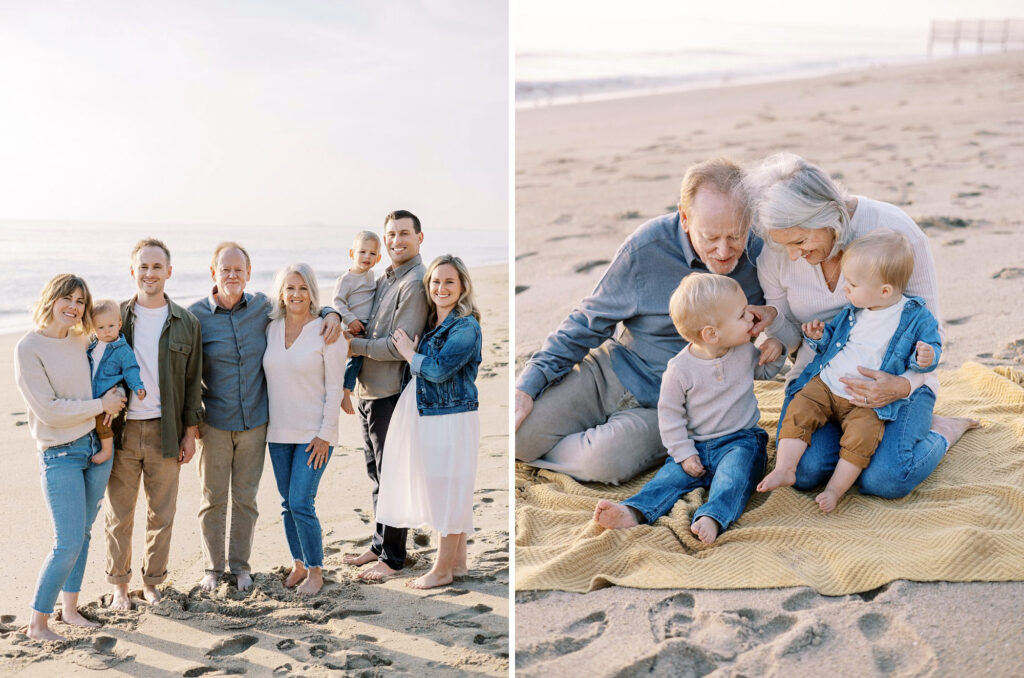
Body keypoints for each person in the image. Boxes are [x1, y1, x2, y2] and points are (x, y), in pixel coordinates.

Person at [515, 157, 777, 485]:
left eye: (735, 236)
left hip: (670, 407)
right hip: (609, 373)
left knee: (602, 463)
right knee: (518, 435)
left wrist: (776, 317)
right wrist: (529, 385)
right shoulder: (646, 247)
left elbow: (794, 315)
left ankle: (591, 449)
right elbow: (588, 321)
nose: (724, 251)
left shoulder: (763, 256)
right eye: (710, 237)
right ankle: (560, 441)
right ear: (684, 218)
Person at [748, 153, 978, 500]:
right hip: (823, 380)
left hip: (896, 379)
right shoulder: (776, 252)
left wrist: (902, 385)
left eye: (800, 242)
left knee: (886, 480)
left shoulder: (894, 232)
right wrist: (776, 325)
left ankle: (943, 430)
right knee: (806, 473)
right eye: (785, 245)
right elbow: (794, 341)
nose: (793, 255)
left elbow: (930, 329)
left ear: (827, 215)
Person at [189, 242, 342, 592]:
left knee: (249, 499)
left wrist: (334, 312)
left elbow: (303, 297)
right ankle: (213, 569)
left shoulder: (262, 309)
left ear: (248, 273)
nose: (232, 275)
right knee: (214, 498)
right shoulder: (195, 316)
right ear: (213, 272)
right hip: (215, 422)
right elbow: (182, 369)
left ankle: (242, 567)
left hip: (257, 424)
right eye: (224, 269)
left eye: (238, 269)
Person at [757, 231, 942, 512]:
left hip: (866, 401)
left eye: (853, 284)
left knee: (861, 440)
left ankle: (835, 490)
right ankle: (784, 467)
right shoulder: (854, 311)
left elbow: (932, 346)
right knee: (801, 408)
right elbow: (831, 341)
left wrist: (925, 357)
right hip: (827, 384)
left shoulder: (915, 316)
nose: (846, 289)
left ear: (885, 291)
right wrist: (818, 337)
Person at [593, 273, 784, 544]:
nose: (751, 319)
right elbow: (670, 415)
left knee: (735, 477)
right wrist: (683, 453)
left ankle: (713, 515)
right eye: (742, 315)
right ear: (711, 334)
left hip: (740, 440)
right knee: (667, 480)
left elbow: (765, 372)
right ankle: (633, 511)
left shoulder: (744, 350)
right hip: (695, 445)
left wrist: (776, 350)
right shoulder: (680, 369)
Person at [14, 274, 126, 640]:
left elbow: (109, 372)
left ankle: (71, 610)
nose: (74, 307)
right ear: (51, 297)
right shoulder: (28, 348)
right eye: (68, 298)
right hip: (58, 454)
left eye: (80, 301)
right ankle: (37, 623)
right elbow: (49, 410)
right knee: (67, 541)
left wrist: (118, 396)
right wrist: (100, 404)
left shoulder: (83, 340)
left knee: (84, 532)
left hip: (96, 447)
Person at [104, 239, 203, 610]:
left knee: (161, 514)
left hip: (166, 430)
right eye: (143, 266)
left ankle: (152, 582)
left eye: (157, 267)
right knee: (119, 514)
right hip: (122, 432)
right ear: (133, 271)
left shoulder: (186, 323)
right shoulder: (116, 318)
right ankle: (119, 585)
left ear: (169, 272)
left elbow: (194, 383)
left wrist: (189, 435)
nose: (150, 273)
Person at [378, 254, 483, 587]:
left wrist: (410, 354)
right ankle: (459, 563)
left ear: (463, 286)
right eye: (436, 281)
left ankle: (441, 570)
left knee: (448, 489)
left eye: (449, 281)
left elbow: (438, 371)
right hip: (432, 416)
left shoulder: (465, 326)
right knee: (449, 486)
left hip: (451, 417)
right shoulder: (433, 325)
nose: (441, 287)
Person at [343, 210, 429, 582]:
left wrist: (355, 346)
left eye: (404, 234)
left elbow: (399, 346)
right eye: (391, 235)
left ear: (420, 238)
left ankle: (393, 559)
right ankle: (378, 545)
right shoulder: (384, 278)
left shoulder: (414, 283)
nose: (396, 241)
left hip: (392, 391)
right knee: (376, 474)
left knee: (392, 475)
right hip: (369, 390)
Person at [263, 263, 347, 595]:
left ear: (312, 292)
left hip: (315, 435)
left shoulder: (327, 331)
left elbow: (335, 388)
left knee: (301, 501)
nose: (296, 294)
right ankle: (298, 562)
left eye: (302, 288)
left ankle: (316, 570)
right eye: (289, 288)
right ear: (281, 293)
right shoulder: (270, 327)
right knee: (287, 503)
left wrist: (326, 433)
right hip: (278, 433)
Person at [87, 299, 146, 466]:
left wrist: (137, 387)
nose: (106, 331)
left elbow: (131, 370)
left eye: (111, 326)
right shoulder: (93, 345)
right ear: (93, 329)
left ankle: (106, 450)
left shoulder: (122, 350)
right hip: (91, 394)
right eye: (101, 327)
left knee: (103, 422)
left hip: (108, 392)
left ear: (119, 324)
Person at [332, 230, 381, 415]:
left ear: (378, 258)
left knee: (366, 358)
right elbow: (337, 302)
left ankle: (355, 388)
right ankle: (345, 391)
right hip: (354, 322)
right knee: (356, 358)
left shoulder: (371, 276)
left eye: (372, 253)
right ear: (352, 254)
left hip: (368, 323)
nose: (367, 256)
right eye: (362, 252)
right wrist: (350, 320)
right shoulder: (346, 279)